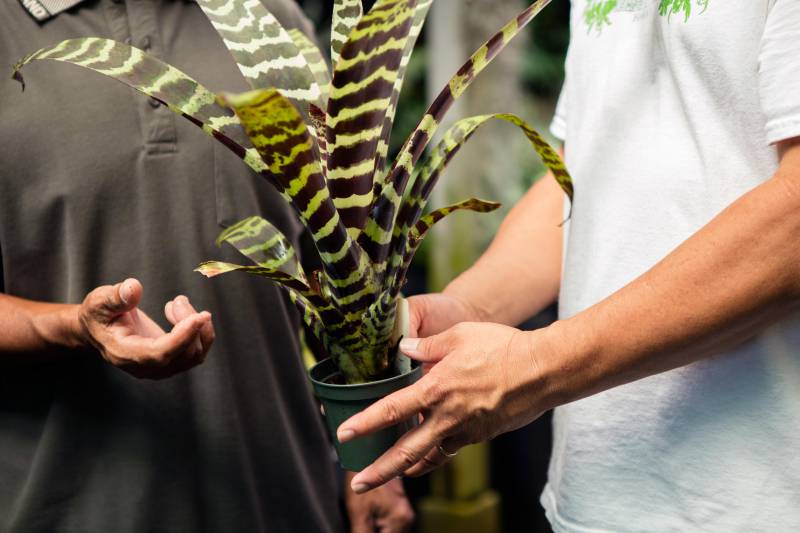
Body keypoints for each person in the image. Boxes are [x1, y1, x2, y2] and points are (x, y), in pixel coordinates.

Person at [336, 1, 800, 531]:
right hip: (599, 494)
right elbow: (583, 178)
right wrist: (469, 307)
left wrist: (537, 366)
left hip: (758, 497)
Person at [0, 0, 412, 532]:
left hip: (285, 501)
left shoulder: (266, 20)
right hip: (68, 508)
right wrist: (74, 327)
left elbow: (341, 273)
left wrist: (374, 462)